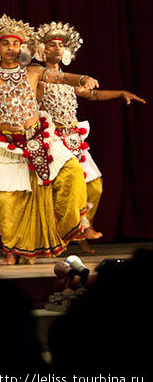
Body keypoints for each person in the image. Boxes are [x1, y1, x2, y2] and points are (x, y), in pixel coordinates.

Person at [0, 15, 99, 264]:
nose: (11, 48)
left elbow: (62, 78)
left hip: (39, 138)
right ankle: (11, 250)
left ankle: (65, 228)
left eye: (15, 44)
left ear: (22, 48)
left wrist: (82, 79)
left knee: (71, 172)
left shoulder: (34, 71)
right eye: (5, 44)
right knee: (7, 199)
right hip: (6, 144)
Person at [34, 22, 145, 251]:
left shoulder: (69, 79)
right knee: (61, 193)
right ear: (41, 50)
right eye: (51, 45)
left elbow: (93, 95)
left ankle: (83, 226)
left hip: (74, 138)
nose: (56, 49)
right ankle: (63, 236)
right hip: (52, 141)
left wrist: (121, 93)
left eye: (60, 46)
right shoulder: (38, 79)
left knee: (94, 185)